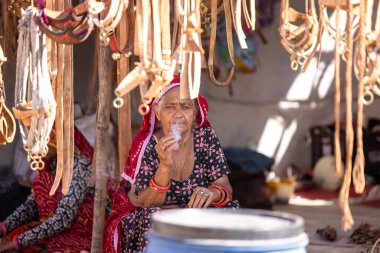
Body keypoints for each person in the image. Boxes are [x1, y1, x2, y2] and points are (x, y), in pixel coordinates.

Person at [104, 76, 239, 253]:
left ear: (195, 111)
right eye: (170, 107)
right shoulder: (148, 145)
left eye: (185, 106)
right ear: (157, 112)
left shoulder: (206, 138)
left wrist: (212, 193)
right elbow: (145, 203)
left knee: (230, 212)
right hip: (160, 216)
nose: (178, 114)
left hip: (195, 214)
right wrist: (164, 166)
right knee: (152, 219)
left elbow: (225, 188)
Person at [0, 126, 95, 252]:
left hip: (84, 233)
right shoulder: (51, 164)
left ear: (53, 139)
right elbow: (32, 205)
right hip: (60, 228)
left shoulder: (79, 166)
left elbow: (63, 219)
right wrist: (4, 227)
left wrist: (15, 242)